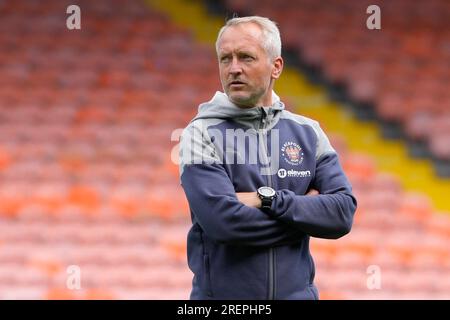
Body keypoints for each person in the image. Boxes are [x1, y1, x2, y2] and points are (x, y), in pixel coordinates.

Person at [179, 16, 357, 300]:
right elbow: (225, 224)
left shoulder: (308, 132)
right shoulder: (200, 134)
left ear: (276, 67)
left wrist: (268, 200)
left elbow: (341, 213)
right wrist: (302, 217)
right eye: (225, 59)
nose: (234, 68)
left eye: (246, 57)